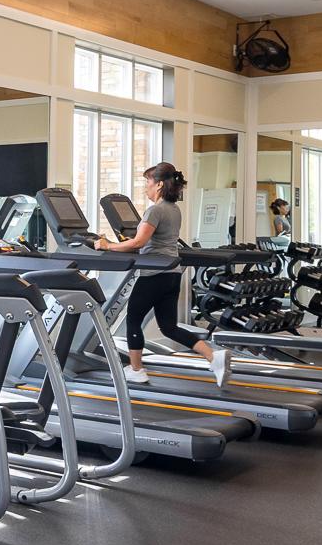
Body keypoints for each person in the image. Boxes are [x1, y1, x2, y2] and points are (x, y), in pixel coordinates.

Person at [94, 162, 231, 387]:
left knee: (133, 320)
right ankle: (213, 356)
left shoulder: (155, 210)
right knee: (168, 327)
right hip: (171, 275)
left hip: (153, 275)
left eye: (147, 183)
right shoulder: (173, 209)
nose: (145, 188)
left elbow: (139, 241)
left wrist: (106, 245)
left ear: (158, 184)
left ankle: (137, 369)